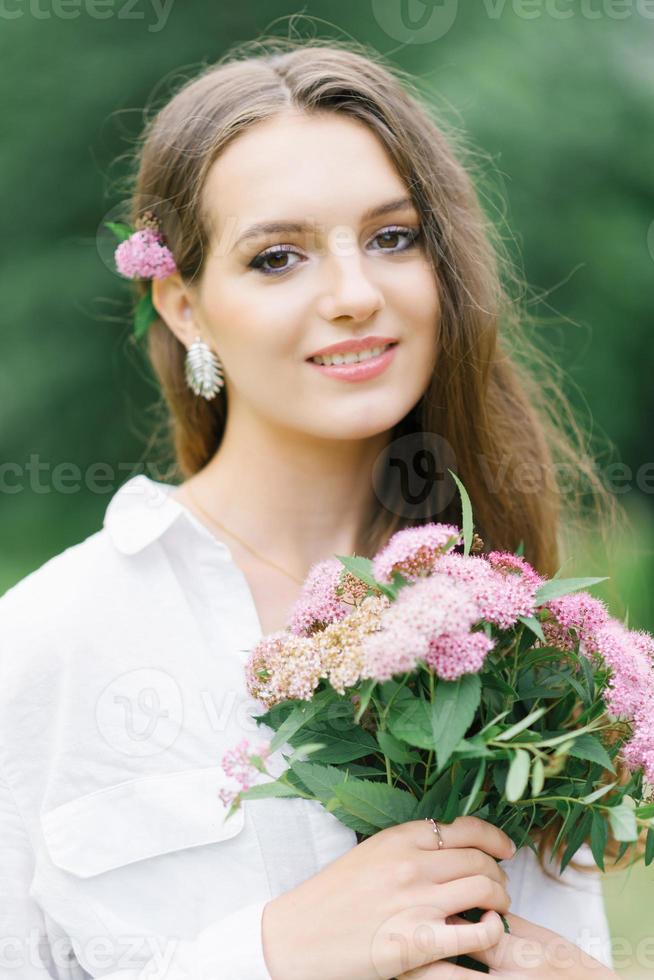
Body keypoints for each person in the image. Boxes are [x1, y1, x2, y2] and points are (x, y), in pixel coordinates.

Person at [0, 37, 626, 979]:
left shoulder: (515, 632)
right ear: (183, 305)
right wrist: (268, 957)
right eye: (278, 257)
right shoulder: (51, 643)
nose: (354, 294)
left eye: (392, 237)